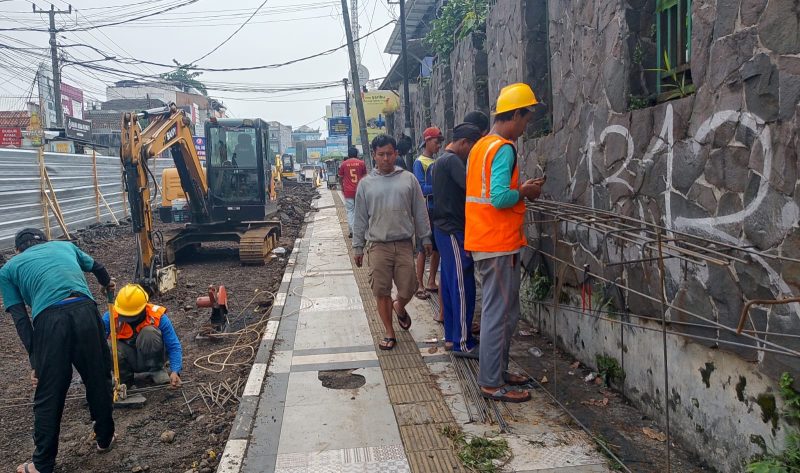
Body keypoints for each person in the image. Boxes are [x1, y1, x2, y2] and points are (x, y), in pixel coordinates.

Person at [0, 229, 116, 473]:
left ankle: (42, 464)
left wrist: (36, 361)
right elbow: (99, 267)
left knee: (49, 394)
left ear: (18, 251)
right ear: (46, 241)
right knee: (98, 377)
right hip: (85, 310)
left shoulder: (9, 268)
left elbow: (21, 318)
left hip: (49, 320)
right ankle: (105, 439)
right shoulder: (65, 247)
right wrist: (107, 284)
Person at [465, 83, 546, 403]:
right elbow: (499, 197)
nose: (526, 127)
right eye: (526, 119)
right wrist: (525, 191)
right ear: (515, 115)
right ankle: (490, 382)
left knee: (505, 313)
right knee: (499, 314)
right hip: (498, 243)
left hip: (487, 240)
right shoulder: (504, 148)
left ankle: (497, 372)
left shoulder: (481, 146)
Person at [352, 134, 432, 351]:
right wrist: (358, 246)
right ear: (374, 156)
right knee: (381, 291)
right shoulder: (366, 185)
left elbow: (420, 210)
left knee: (409, 287)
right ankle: (389, 332)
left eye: (389, 153)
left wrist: (425, 237)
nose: (386, 158)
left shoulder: (408, 180)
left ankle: (400, 305)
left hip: (405, 244)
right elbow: (359, 217)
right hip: (378, 245)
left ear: (396, 154)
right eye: (381, 154)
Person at [432, 123, 484, 357]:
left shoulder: (441, 161)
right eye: (472, 147)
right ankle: (464, 342)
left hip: (444, 230)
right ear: (464, 143)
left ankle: (453, 338)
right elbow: (471, 188)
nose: (472, 153)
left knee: (452, 284)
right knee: (462, 285)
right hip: (453, 230)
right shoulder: (452, 161)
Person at [102, 284, 183, 388]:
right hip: (127, 358)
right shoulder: (111, 316)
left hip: (153, 357)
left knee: (149, 332)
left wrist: (175, 371)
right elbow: (97, 345)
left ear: (144, 307)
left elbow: (173, 346)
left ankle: (156, 370)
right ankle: (124, 378)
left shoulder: (157, 316)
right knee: (106, 344)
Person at [413, 127, 443, 300]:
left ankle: (431, 280)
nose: (438, 145)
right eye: (436, 141)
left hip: (437, 209)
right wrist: (441, 188)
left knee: (437, 247)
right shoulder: (420, 163)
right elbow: (421, 188)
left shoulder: (436, 162)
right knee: (423, 248)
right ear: (427, 141)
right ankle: (420, 284)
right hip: (426, 210)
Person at [338, 146, 367, 238]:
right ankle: (361, 231)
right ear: (357, 154)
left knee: (350, 211)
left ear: (348, 154)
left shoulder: (343, 164)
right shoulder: (361, 163)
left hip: (348, 191)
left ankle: (352, 231)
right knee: (360, 212)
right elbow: (365, 177)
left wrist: (342, 187)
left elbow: (340, 177)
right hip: (360, 191)